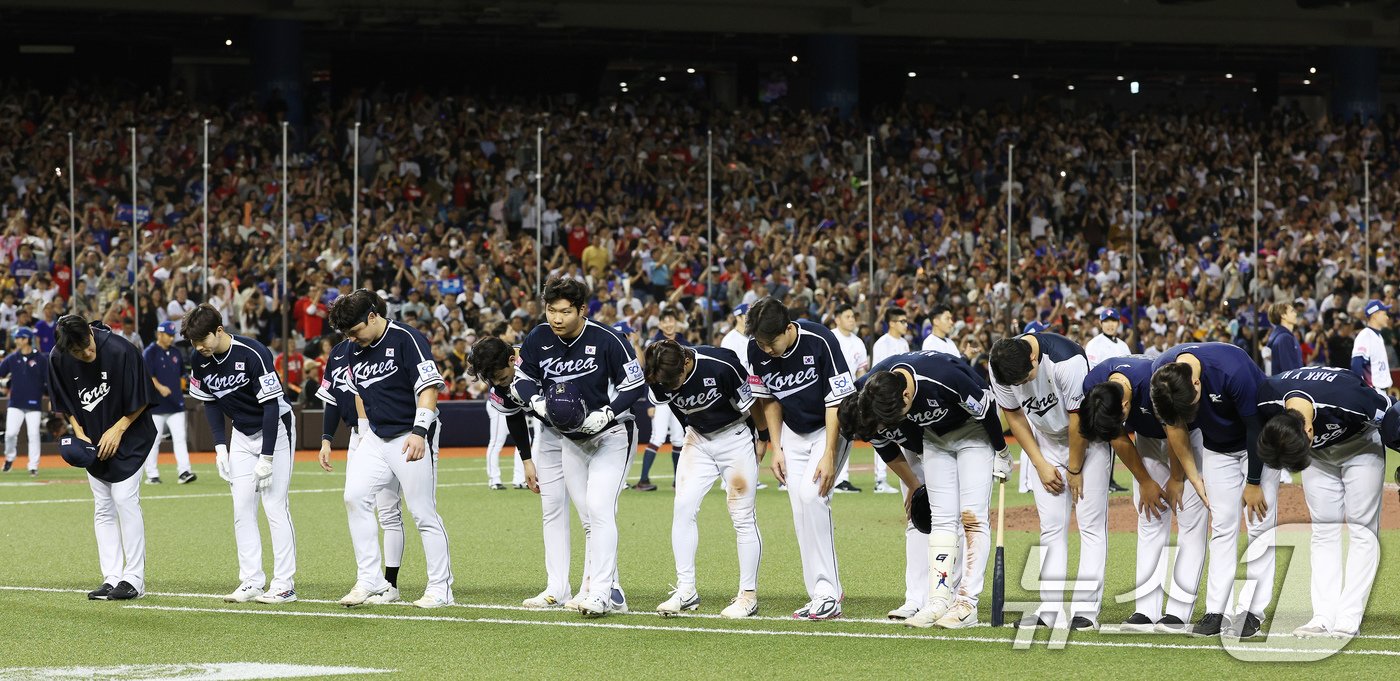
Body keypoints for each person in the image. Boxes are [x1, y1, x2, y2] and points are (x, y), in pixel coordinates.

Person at [843, 351, 1009, 629]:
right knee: (941, 519)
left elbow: (986, 410)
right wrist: (916, 481)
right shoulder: (880, 391)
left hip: (974, 432)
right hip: (934, 439)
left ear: (906, 397)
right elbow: (904, 439)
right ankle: (939, 599)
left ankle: (967, 604)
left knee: (972, 517)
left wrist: (1002, 451)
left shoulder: (942, 377)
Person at [513, 277, 645, 617]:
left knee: (599, 509)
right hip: (569, 438)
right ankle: (604, 590)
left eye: (565, 312)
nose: (556, 318)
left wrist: (609, 412)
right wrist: (537, 403)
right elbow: (521, 379)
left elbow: (635, 384)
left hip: (610, 434)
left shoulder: (607, 339)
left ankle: (602, 591)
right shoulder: (539, 337)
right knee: (585, 515)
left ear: (582, 310)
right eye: (551, 310)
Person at [328, 290, 454, 609]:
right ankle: (370, 579)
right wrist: (364, 432)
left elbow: (427, 387)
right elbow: (359, 393)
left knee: (422, 511)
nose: (351, 339)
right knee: (354, 496)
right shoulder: (354, 349)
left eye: (355, 331)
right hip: (376, 436)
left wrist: (419, 431)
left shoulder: (406, 339)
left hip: (409, 433)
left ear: (372, 317)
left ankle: (441, 588)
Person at [1150, 342, 1274, 637]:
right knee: (1222, 526)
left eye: (1192, 405)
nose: (1192, 412)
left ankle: (1252, 610)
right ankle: (1217, 610)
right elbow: (1175, 426)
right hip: (1217, 449)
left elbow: (1256, 426)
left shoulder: (1232, 370)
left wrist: (1254, 482)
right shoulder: (1163, 375)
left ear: (1197, 382)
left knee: (1259, 524)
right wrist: (1193, 477)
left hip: (1259, 441)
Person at [1257, 366, 1389, 639]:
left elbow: (1393, 413)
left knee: (1362, 529)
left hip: (1361, 448)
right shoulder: (1266, 396)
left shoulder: (1351, 401)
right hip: (1317, 457)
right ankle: (1322, 616)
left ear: (1308, 429)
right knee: (1323, 530)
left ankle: (1349, 617)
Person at [988, 330, 1107, 630]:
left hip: (1087, 439)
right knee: (1051, 528)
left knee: (1090, 526)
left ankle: (1086, 612)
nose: (1021, 386)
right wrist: (1040, 463)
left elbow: (1078, 419)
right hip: (1045, 442)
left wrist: (1075, 469)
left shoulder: (1067, 361)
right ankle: (1050, 610)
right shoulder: (1000, 365)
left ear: (1032, 357)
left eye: (1024, 378)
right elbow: (1013, 415)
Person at [1079, 355, 1207, 633]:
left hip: (1186, 433)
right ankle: (1145, 610)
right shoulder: (1095, 384)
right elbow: (1116, 435)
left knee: (1189, 520)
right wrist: (1145, 481)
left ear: (1126, 404)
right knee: (1149, 518)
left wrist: (1176, 477)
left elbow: (1174, 427)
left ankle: (1178, 611)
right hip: (1149, 439)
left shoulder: (1153, 381)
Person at [746, 297, 855, 620]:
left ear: (788, 328)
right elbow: (769, 401)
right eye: (760, 343)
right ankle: (822, 590)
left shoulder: (820, 339)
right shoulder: (757, 350)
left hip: (830, 424)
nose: (765, 350)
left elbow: (836, 402)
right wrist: (776, 447)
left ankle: (827, 593)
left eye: (770, 342)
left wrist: (830, 454)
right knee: (799, 508)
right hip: (792, 431)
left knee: (813, 497)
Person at [185, 304, 299, 605]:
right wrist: (220, 447)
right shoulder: (199, 358)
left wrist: (267, 457)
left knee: (275, 506)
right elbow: (209, 402)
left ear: (219, 331)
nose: (198, 348)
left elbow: (272, 406)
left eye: (202, 341)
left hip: (276, 428)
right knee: (242, 508)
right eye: (194, 343)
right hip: (241, 433)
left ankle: (284, 584)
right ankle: (251, 581)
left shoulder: (253, 352)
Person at [645, 340, 763, 619]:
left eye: (676, 381)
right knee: (683, 508)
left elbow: (752, 402)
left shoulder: (721, 364)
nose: (672, 387)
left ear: (686, 362)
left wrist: (764, 437)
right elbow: (675, 406)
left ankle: (748, 595)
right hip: (697, 439)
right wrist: (690, 428)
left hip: (734, 436)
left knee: (742, 515)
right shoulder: (658, 371)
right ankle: (686, 590)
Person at [48, 315, 159, 600]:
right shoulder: (58, 357)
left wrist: (119, 428)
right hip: (94, 440)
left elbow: (144, 396)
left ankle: (134, 579)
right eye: (77, 351)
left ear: (90, 332)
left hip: (131, 434)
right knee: (103, 507)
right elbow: (65, 401)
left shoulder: (121, 350)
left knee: (124, 499)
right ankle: (111, 577)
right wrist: (79, 432)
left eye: (86, 345)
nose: (86, 353)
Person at [317, 319, 407, 605]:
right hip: (359, 435)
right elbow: (332, 398)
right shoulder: (340, 352)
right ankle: (370, 578)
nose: (349, 333)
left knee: (389, 510)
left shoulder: (387, 346)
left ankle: (390, 583)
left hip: (388, 432)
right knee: (356, 501)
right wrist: (326, 438)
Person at [465, 336, 547, 605]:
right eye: (492, 380)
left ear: (513, 360)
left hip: (585, 426)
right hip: (550, 432)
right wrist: (526, 460)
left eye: (501, 377)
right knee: (552, 510)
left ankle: (604, 583)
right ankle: (557, 586)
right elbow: (513, 415)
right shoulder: (500, 381)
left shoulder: (539, 358)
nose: (499, 384)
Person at [635, 308, 688, 491]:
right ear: (660, 324)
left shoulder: (683, 341)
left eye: (671, 320)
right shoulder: (653, 342)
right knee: (657, 437)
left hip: (680, 396)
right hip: (660, 397)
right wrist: (649, 402)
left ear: (676, 322)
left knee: (678, 439)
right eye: (665, 321)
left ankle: (677, 481)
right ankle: (643, 480)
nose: (668, 324)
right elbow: (648, 373)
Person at [142, 321, 194, 485]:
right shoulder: (150, 352)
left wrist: (185, 384)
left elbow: (182, 375)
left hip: (176, 404)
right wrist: (160, 387)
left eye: (172, 335)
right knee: (154, 441)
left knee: (180, 439)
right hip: (156, 406)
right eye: (168, 335)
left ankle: (184, 472)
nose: (171, 338)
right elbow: (147, 376)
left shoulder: (175, 352)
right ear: (159, 334)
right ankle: (152, 475)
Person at [868, 307, 912, 494]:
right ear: (892, 323)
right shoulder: (881, 343)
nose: (906, 324)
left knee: (903, 437)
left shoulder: (903, 343)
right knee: (883, 436)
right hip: (884, 398)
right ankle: (880, 479)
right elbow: (877, 373)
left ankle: (907, 477)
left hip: (902, 398)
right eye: (902, 321)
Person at [830, 304, 869, 494]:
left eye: (853, 316)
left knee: (846, 436)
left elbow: (861, 371)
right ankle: (836, 478)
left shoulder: (858, 342)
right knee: (829, 435)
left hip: (850, 396)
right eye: (847, 316)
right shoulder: (830, 338)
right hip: (829, 395)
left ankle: (841, 478)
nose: (852, 319)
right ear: (837, 319)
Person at [1, 327, 47, 476]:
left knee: (33, 435)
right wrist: (5, 383)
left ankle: (33, 465)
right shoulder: (12, 358)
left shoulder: (41, 359)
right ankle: (9, 458)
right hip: (15, 402)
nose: (16, 341)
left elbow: (49, 380)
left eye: (19, 338)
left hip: (34, 403)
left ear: (26, 339)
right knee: (10, 434)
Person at [1351, 299, 1392, 395]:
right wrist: (1363, 389)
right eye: (1384, 314)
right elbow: (1356, 363)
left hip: (1382, 390)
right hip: (1373, 391)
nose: (1387, 317)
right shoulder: (1365, 335)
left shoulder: (1378, 336)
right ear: (1375, 315)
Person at [1264, 302, 1304, 376]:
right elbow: (1289, 372)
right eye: (1292, 311)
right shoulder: (1284, 338)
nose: (1295, 314)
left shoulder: (1284, 336)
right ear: (1283, 315)